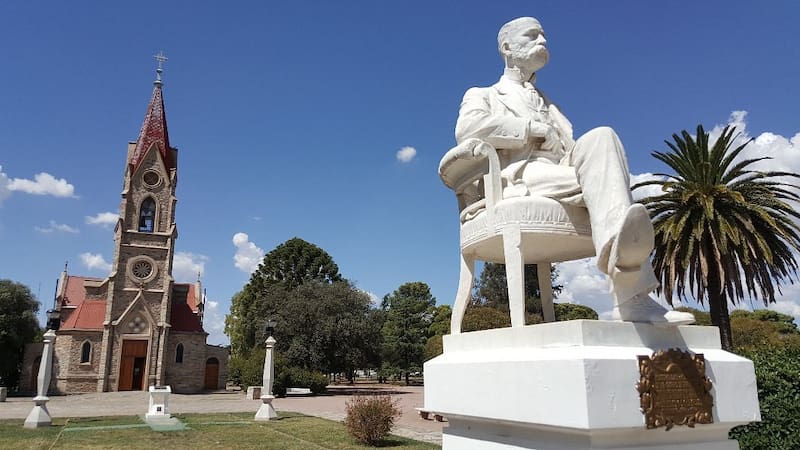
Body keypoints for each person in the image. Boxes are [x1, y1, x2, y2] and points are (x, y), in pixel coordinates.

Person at [455, 17, 693, 324]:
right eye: (532, 35)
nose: (543, 41)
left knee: (603, 136)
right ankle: (632, 289)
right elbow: (468, 129)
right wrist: (532, 129)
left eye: (544, 35)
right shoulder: (483, 94)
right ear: (507, 47)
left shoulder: (550, 104)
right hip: (521, 175)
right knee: (609, 192)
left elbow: (572, 149)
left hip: (562, 173)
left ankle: (626, 268)